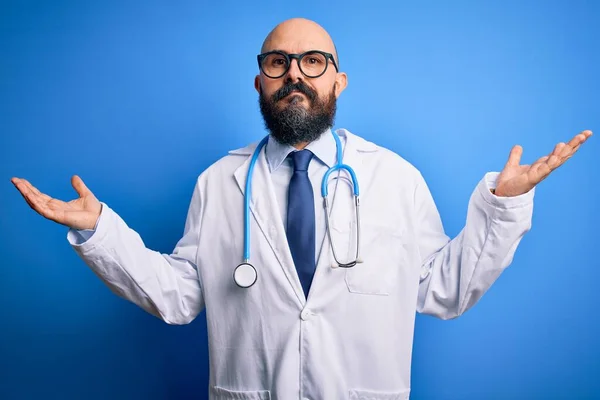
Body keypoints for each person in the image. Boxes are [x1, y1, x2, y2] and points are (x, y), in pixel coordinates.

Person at [11, 18, 591, 400]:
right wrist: (101, 235)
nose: (294, 73)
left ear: (338, 82)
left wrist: (503, 208)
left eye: (313, 61)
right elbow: (181, 296)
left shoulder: (394, 177)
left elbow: (442, 290)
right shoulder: (219, 183)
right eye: (277, 62)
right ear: (259, 83)